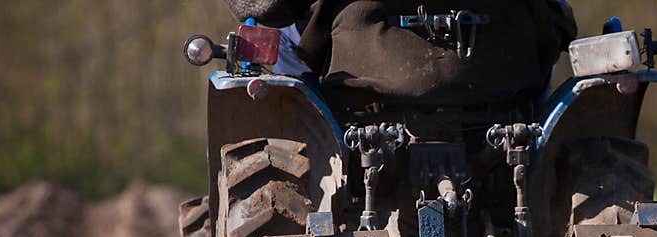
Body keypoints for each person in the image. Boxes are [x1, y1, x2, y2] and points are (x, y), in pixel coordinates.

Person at [224, 1, 577, 107]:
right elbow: (560, 24)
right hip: (503, 78)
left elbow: (262, 6)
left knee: (274, 34)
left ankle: (318, 141)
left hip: (358, 85)